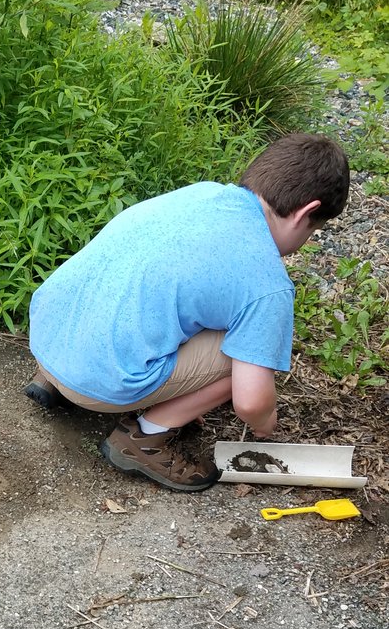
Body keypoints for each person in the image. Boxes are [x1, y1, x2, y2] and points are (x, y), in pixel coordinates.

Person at [25, 132, 350, 491]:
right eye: (314, 230)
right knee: (248, 354)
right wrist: (265, 420)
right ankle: (145, 436)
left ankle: (50, 380)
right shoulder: (266, 281)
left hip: (47, 334)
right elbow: (251, 401)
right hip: (94, 382)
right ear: (307, 212)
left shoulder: (201, 193)